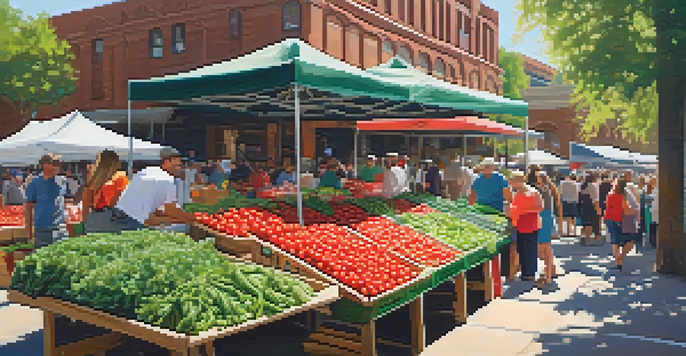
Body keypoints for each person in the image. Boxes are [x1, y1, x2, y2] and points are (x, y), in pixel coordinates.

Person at [112, 148, 196, 231]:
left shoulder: (148, 171)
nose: (180, 168)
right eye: (178, 165)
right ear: (167, 161)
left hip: (118, 213)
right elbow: (171, 209)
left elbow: (146, 199)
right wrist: (191, 219)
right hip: (132, 220)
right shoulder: (167, 179)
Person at [505, 170, 544, 282]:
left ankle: (530, 273)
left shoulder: (532, 192)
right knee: (521, 249)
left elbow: (540, 207)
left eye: (512, 181)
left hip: (531, 224)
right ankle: (524, 271)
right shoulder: (516, 193)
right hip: (519, 224)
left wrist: (523, 211)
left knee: (530, 249)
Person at [24, 154, 69, 248]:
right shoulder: (34, 184)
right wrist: (29, 234)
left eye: (59, 164)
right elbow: (28, 208)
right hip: (42, 231)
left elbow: (63, 202)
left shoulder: (62, 181)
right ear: (45, 165)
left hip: (60, 229)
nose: (57, 167)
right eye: (55, 163)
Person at [83, 150, 129, 234]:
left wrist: (84, 224)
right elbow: (118, 202)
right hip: (113, 219)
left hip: (94, 218)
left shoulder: (92, 182)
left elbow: (85, 206)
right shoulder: (120, 177)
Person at [531, 170, 558, 286]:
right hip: (548, 217)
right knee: (546, 246)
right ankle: (550, 270)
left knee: (542, 247)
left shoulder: (540, 190)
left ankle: (547, 273)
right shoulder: (549, 189)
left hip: (542, 217)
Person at [616, 179, 639, 270]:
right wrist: (633, 211)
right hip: (628, 219)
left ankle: (620, 258)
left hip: (622, 219)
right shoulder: (624, 194)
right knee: (631, 240)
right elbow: (626, 208)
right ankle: (621, 257)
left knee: (626, 240)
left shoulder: (618, 193)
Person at [604, 179, 624, 268]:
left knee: (614, 238)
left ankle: (617, 259)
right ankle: (619, 259)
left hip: (610, 217)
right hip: (620, 218)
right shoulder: (624, 197)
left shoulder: (610, 196)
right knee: (619, 238)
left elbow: (608, 207)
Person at [578, 172, 601, 246]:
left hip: (583, 206)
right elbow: (595, 200)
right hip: (591, 207)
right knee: (590, 224)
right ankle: (587, 240)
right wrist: (598, 210)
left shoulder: (582, 186)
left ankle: (583, 237)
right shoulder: (593, 187)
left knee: (585, 223)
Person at [649, 177, 658, 249]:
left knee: (654, 226)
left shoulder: (656, 190)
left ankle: (653, 241)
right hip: (655, 210)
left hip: (655, 210)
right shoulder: (656, 190)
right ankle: (654, 241)